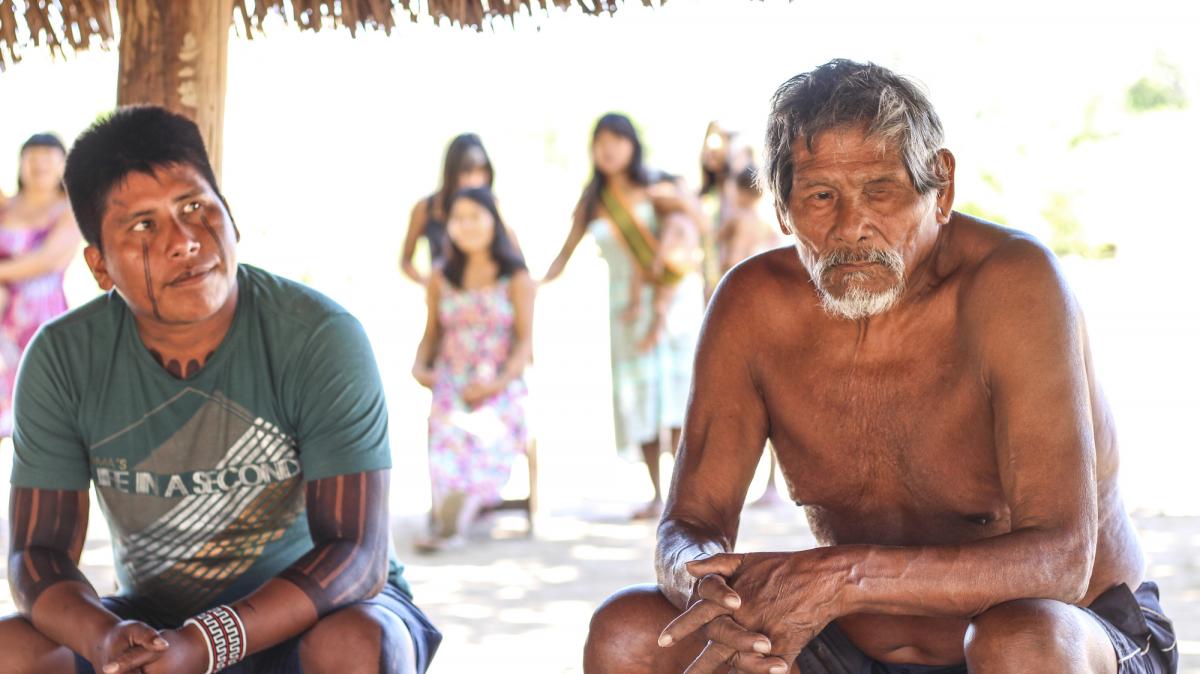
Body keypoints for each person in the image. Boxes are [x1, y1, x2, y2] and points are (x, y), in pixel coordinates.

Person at [584, 59, 1176, 674]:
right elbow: (688, 525)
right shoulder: (752, 306)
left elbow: (1061, 560)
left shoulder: (1013, 287)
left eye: (881, 190)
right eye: (820, 196)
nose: (851, 228)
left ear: (941, 188)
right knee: (628, 634)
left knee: (1022, 641)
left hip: (1071, 632)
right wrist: (710, 588)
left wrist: (841, 577)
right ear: (783, 211)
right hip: (850, 647)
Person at [0, 106, 440, 674]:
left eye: (195, 208)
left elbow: (357, 556)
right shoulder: (65, 358)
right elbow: (37, 555)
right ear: (99, 266)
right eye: (143, 225)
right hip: (159, 625)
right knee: (14, 648)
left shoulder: (317, 337)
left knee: (353, 644)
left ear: (230, 217)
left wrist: (211, 642)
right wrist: (108, 638)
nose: (183, 241)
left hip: (315, 615)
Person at [544, 113, 706, 520]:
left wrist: (679, 201)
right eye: (601, 141)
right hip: (625, 308)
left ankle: (686, 492)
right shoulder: (594, 200)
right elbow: (564, 254)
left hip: (673, 302)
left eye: (617, 139)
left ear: (632, 144)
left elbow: (699, 226)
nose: (608, 149)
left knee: (677, 394)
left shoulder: (659, 183)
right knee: (641, 398)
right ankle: (657, 493)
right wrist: (531, 283)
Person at [411, 186, 534, 552]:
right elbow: (431, 334)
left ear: (492, 221)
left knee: (487, 430)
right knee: (448, 429)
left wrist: (495, 383)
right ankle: (450, 515)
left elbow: (524, 343)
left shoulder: (515, 277)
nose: (466, 226)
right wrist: (419, 367)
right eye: (458, 219)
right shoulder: (440, 276)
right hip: (453, 381)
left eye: (474, 217)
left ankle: (454, 522)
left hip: (501, 383)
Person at [0, 133, 81, 437]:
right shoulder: (6, 205)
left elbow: (47, 260)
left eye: (49, 158)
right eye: (32, 157)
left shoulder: (68, 210)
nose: (40, 165)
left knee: (36, 415)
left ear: (63, 165)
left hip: (39, 321)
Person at [399, 133, 495, 284]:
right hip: (446, 302)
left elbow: (515, 262)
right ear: (452, 172)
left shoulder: (493, 206)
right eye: (467, 172)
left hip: (487, 300)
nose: (475, 180)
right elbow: (406, 261)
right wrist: (430, 286)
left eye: (481, 171)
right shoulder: (427, 208)